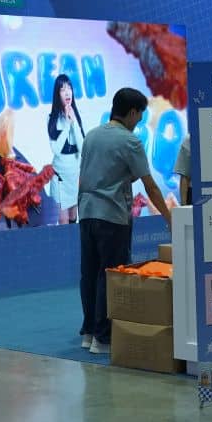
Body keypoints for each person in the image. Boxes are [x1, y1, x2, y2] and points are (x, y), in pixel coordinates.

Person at [77, 87, 171, 355]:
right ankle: (104, 338)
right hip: (112, 216)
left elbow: (89, 176)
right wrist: (169, 218)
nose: (139, 121)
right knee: (110, 275)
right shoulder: (130, 141)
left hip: (87, 214)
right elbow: (151, 186)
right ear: (131, 112)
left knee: (89, 274)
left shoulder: (91, 136)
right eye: (139, 115)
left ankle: (89, 332)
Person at [47, 74, 86, 225]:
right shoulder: (52, 118)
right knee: (63, 221)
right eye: (63, 89)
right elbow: (56, 149)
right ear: (57, 94)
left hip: (74, 177)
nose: (67, 92)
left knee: (72, 218)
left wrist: (74, 122)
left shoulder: (78, 116)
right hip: (59, 178)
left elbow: (83, 148)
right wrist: (67, 125)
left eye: (69, 88)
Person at [173, 135, 191, 206]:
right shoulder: (189, 140)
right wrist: (184, 206)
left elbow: (184, 176)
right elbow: (184, 175)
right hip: (194, 193)